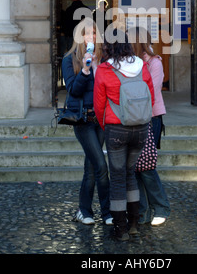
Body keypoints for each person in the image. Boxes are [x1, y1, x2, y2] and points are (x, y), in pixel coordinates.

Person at [93, 28, 155, 241]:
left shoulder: (103, 69)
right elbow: (151, 98)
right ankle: (134, 224)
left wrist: (105, 126)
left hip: (116, 128)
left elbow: (99, 105)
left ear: (108, 46)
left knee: (117, 177)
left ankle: (120, 229)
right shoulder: (141, 66)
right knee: (130, 175)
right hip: (140, 129)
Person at [62, 17, 112, 226]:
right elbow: (72, 89)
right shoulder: (70, 59)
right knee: (100, 164)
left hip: (100, 119)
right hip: (82, 120)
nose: (90, 37)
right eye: (86, 33)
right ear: (79, 37)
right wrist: (84, 70)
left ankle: (85, 211)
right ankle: (108, 213)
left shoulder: (104, 58)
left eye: (93, 33)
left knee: (91, 167)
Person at [127, 26, 170, 226]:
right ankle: (142, 211)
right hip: (131, 118)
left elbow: (150, 93)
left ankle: (161, 208)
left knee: (147, 166)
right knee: (134, 167)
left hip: (150, 118)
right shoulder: (128, 63)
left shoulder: (154, 63)